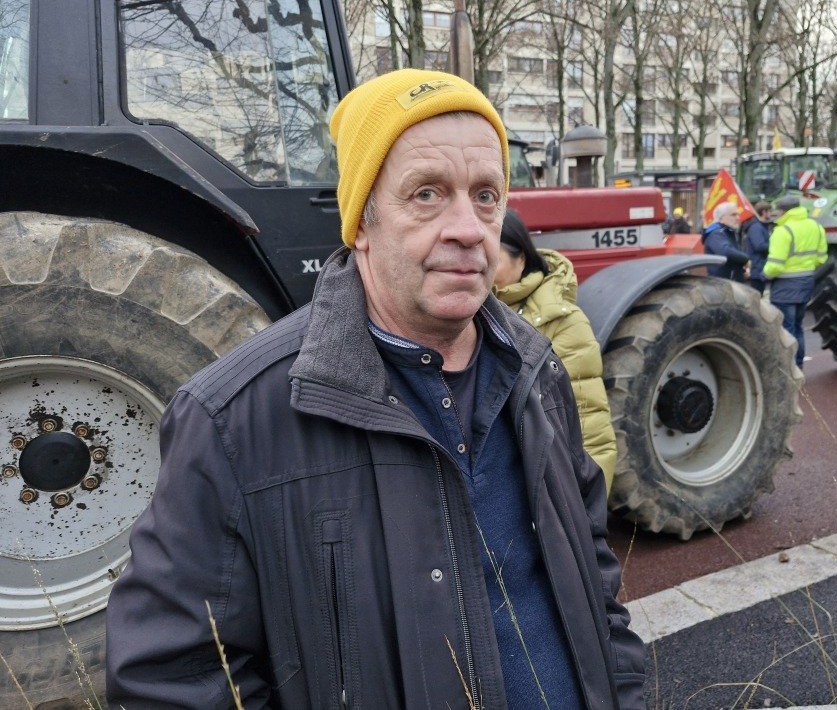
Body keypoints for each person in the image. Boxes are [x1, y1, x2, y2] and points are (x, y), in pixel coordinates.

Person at [105, 69, 645, 708]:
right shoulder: (233, 419)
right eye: (427, 194)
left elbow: (595, 588)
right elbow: (171, 680)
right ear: (361, 219)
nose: (469, 229)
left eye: (486, 195)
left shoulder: (537, 372)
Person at [494, 210, 617, 491]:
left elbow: (590, 424)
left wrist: (589, 517)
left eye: (495, 258)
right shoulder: (463, 315)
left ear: (521, 258)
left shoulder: (562, 321)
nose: (483, 267)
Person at [763, 194, 827, 368]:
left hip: (785, 286)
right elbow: (821, 258)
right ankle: (798, 365)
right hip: (806, 282)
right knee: (798, 327)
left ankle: (787, 367)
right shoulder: (816, 226)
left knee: (785, 330)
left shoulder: (782, 231)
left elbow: (775, 265)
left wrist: (764, 274)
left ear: (782, 211)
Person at [702, 202, 750, 280]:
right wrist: (745, 259)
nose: (738, 218)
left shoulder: (728, 232)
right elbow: (726, 252)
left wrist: (741, 271)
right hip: (721, 284)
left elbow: (731, 258)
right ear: (721, 219)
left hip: (729, 282)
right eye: (733, 215)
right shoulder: (716, 234)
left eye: (738, 215)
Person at [743, 200, 773, 294]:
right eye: (769, 211)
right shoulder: (756, 227)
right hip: (756, 268)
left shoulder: (762, 226)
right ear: (764, 212)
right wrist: (775, 246)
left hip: (759, 267)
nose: (771, 213)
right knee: (756, 296)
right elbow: (759, 246)